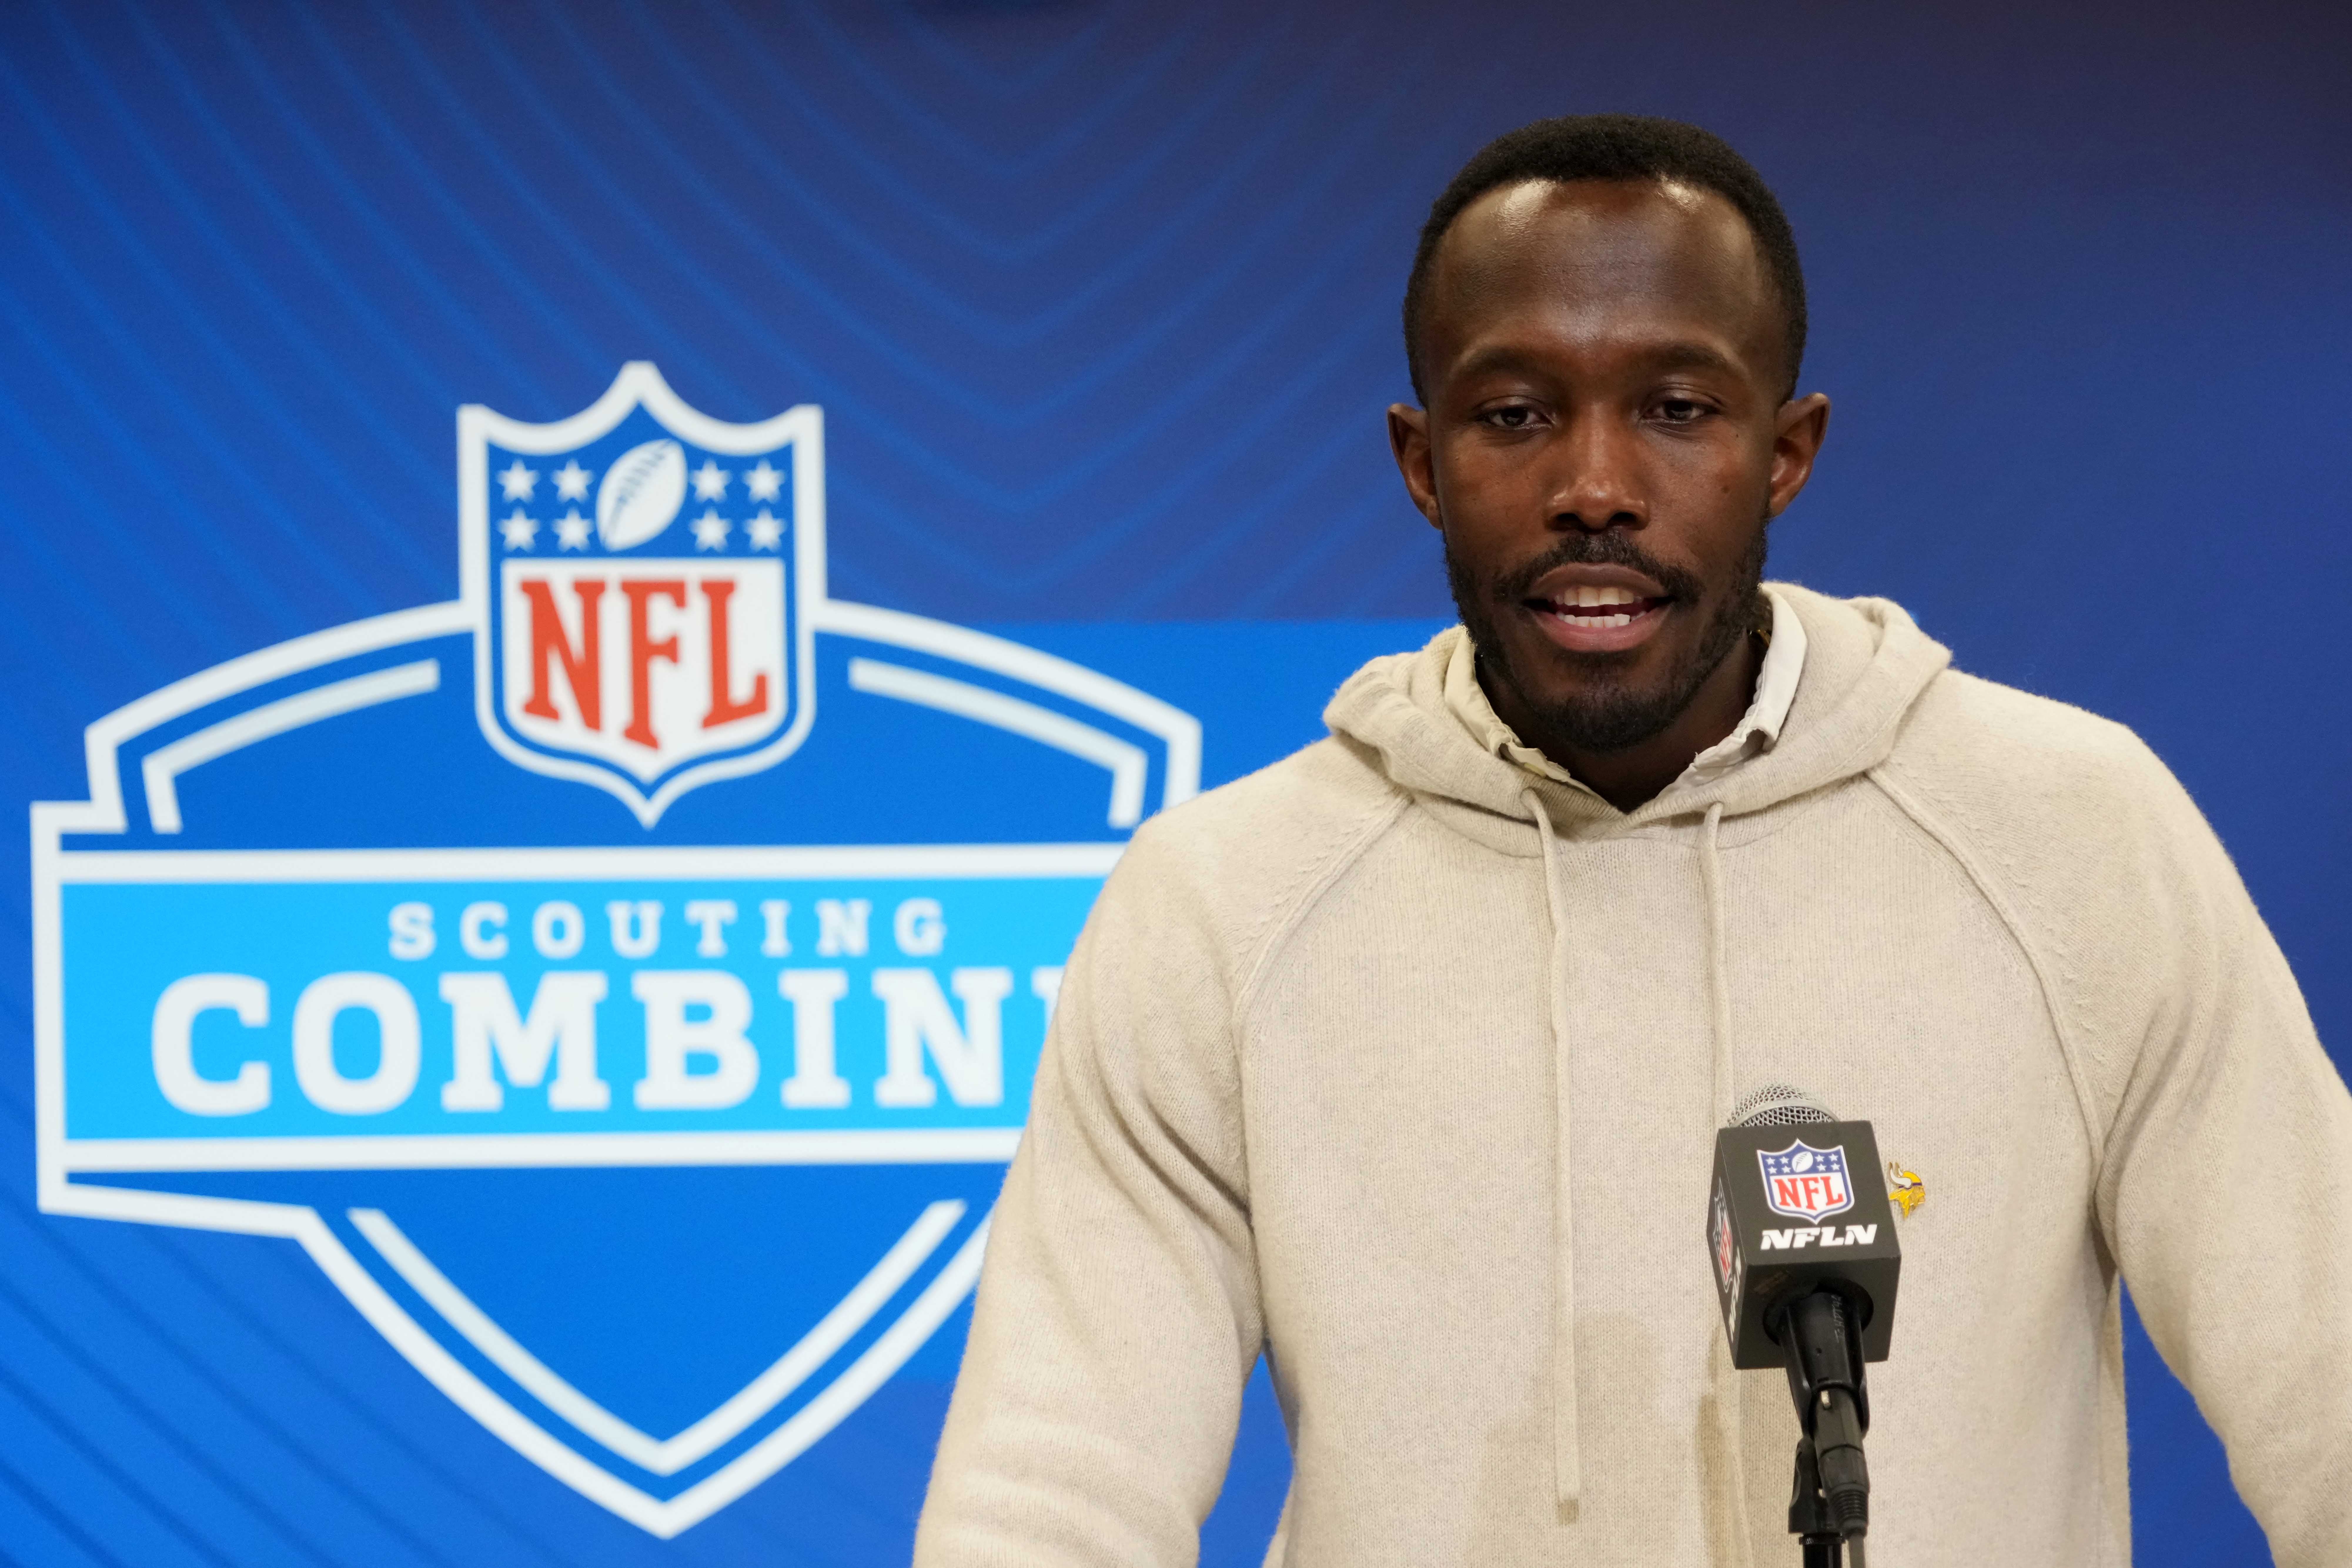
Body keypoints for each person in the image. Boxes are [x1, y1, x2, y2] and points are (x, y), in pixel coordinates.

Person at [912, 114, 2352, 1566]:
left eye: (1676, 406)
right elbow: (1053, 1488)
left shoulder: (2071, 833)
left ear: (1786, 453)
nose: (1594, 485)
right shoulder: (1223, 903)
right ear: (1421, 462)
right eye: (1515, 413)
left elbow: (2331, 1384)